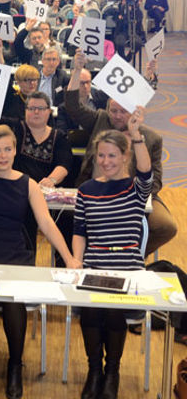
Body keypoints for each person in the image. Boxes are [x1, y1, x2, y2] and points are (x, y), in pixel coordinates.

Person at [0, 112, 78, 399]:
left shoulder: (28, 183)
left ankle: (16, 364)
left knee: (14, 305)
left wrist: (69, 258)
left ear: (16, 150)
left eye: (8, 149)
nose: (3, 155)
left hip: (16, 253)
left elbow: (47, 224)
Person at [64, 49, 176, 256]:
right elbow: (72, 106)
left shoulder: (152, 138)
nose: (116, 116)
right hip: (94, 189)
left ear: (135, 112)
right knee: (70, 220)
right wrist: (77, 70)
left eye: (122, 111)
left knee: (167, 226)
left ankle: (134, 255)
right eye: (113, 110)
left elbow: (156, 180)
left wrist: (132, 200)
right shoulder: (99, 119)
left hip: (135, 195)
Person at [74, 111, 151, 399]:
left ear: (124, 156)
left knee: (114, 310)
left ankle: (112, 372)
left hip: (127, 265)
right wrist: (76, 262)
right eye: (101, 156)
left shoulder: (135, 189)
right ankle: (94, 371)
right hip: (95, 262)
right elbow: (80, 230)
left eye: (112, 156)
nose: (106, 162)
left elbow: (146, 171)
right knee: (92, 311)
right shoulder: (86, 190)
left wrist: (137, 134)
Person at [37, 47, 69, 112]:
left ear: (58, 62)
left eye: (54, 59)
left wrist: (58, 109)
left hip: (55, 114)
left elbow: (68, 99)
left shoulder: (62, 76)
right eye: (48, 59)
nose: (51, 63)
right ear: (42, 61)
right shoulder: (35, 75)